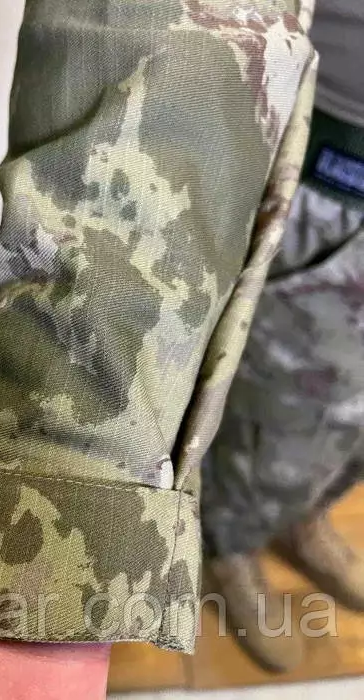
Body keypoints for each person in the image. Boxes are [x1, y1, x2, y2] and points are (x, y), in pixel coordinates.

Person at [0, 0, 317, 696]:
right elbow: (155, 45)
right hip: (278, 138)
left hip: (317, 135)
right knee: (273, 387)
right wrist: (36, 566)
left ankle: (295, 516)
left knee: (320, 413)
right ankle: (235, 542)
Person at [202, 0, 364, 673]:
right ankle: (225, 545)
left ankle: (302, 519)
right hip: (330, 161)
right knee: (271, 407)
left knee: (352, 422)